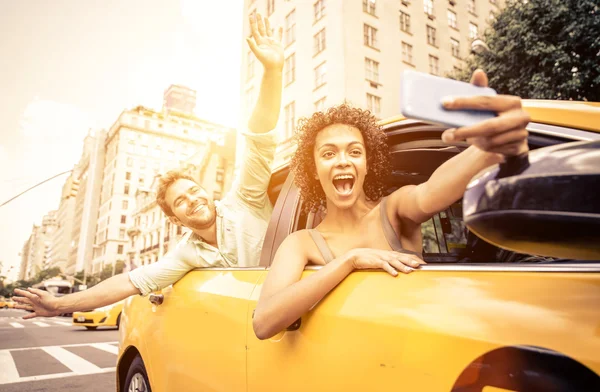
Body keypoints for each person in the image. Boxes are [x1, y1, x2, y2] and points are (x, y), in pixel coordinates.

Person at [14, 13, 284, 319]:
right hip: (255, 322)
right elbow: (129, 281)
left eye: (194, 191)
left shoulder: (244, 200)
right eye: (180, 201)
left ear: (207, 192)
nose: (192, 200)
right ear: (175, 220)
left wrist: (273, 71)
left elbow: (259, 137)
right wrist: (59, 305)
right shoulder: (186, 253)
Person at [252, 70, 531, 340]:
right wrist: (350, 261)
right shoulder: (301, 243)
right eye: (328, 153)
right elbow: (264, 323)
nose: (343, 161)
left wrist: (485, 151)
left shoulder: (394, 210)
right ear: (314, 169)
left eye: (355, 151)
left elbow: (430, 191)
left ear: (366, 164)